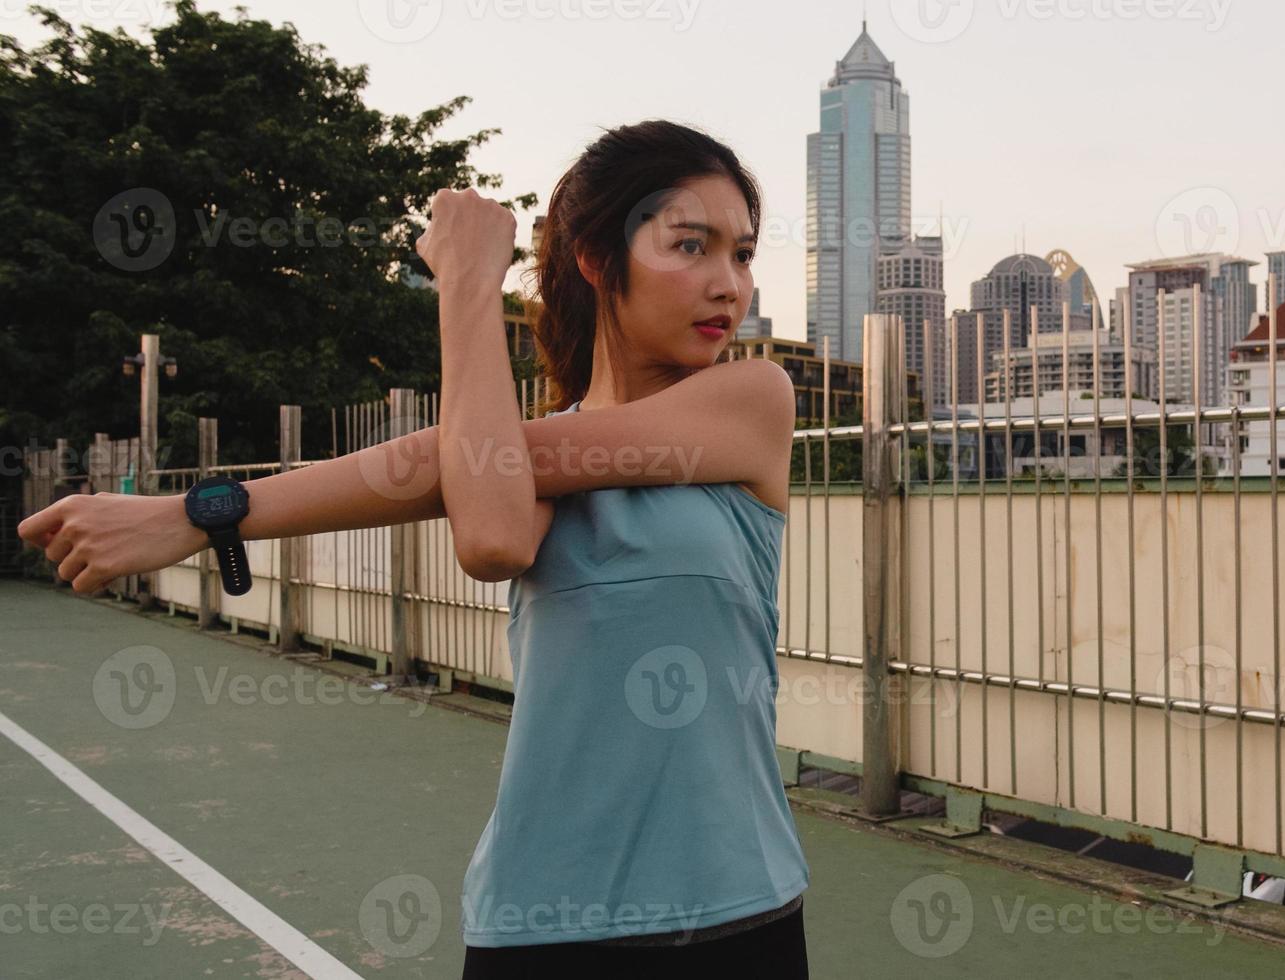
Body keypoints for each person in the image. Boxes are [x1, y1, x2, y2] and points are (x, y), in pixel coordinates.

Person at [17, 120, 811, 977]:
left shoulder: (750, 402)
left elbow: (489, 524)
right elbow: (493, 510)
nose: (727, 284)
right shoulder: (515, 459)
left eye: (740, 253)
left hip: (739, 916)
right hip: (540, 921)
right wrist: (198, 512)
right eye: (690, 246)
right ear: (593, 255)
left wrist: (466, 278)